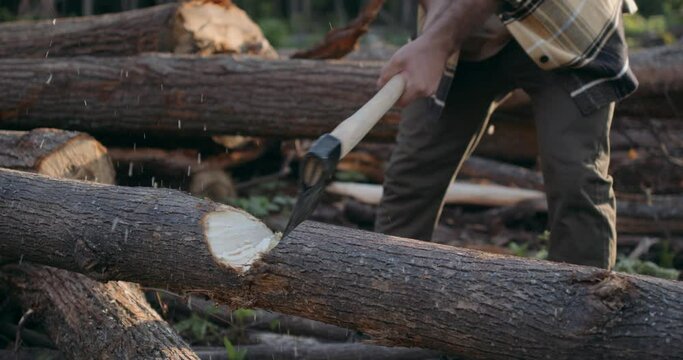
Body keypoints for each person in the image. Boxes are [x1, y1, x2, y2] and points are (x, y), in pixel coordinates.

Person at [375, 0, 639, 270]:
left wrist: (436, 41)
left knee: (574, 180)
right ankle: (383, 293)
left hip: (564, 22)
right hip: (466, 34)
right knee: (413, 174)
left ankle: (585, 304)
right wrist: (433, 31)